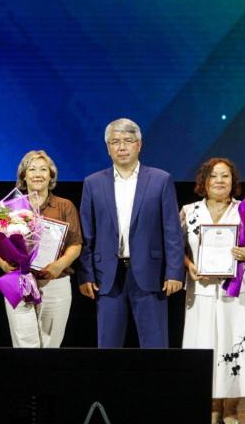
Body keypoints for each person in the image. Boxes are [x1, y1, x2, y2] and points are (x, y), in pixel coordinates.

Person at [78, 118, 185, 348]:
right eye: (115, 142)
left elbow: (172, 231)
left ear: (139, 144)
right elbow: (86, 234)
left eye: (128, 140)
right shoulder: (93, 183)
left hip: (151, 274)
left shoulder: (161, 179)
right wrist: (86, 274)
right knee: (108, 346)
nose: (122, 147)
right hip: (107, 276)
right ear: (108, 147)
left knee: (155, 345)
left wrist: (174, 271)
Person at [181, 158, 245, 424]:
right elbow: (176, 249)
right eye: (213, 175)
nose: (219, 180)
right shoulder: (188, 212)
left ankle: (231, 408)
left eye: (225, 176)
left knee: (234, 344)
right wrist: (189, 266)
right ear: (203, 181)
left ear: (234, 181)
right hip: (201, 291)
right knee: (205, 346)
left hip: (238, 291)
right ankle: (211, 407)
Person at [0, 150, 83, 348]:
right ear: (23, 176)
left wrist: (59, 265)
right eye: (32, 169)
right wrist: (2, 263)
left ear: (51, 176)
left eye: (43, 169)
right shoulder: (10, 207)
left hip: (54, 282)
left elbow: (76, 244)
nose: (38, 174)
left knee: (51, 346)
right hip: (18, 281)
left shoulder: (65, 206)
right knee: (24, 345)